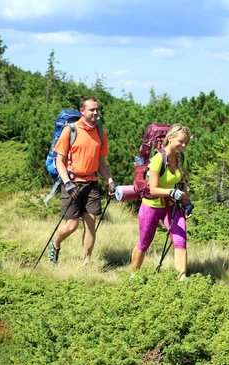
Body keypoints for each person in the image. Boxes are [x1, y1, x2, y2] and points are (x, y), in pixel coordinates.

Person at [48, 96, 116, 265]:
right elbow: (59, 161)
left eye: (97, 109)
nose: (95, 112)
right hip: (72, 182)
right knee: (71, 226)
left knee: (90, 224)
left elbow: (101, 163)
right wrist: (67, 183)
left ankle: (86, 264)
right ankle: (55, 244)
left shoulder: (101, 132)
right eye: (91, 109)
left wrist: (110, 181)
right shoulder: (71, 130)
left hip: (92, 183)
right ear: (82, 111)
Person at [131, 123, 193, 280]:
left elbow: (182, 183)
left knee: (180, 240)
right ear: (170, 138)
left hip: (171, 206)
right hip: (151, 206)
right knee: (144, 242)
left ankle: (181, 279)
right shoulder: (159, 159)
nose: (184, 145)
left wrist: (186, 202)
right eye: (181, 141)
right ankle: (134, 275)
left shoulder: (180, 158)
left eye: (186, 142)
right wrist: (171, 192)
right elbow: (153, 189)